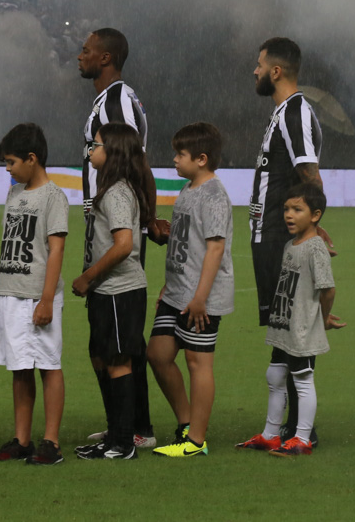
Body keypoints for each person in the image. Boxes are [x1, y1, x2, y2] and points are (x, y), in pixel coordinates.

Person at [78, 27, 166, 448]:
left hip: (118, 233)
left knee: (121, 342)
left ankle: (134, 429)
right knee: (108, 342)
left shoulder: (115, 101)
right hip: (104, 228)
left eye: (86, 50)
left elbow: (136, 157)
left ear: (106, 58)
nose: (80, 56)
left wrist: (148, 218)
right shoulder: (108, 99)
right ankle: (123, 423)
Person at [251, 37, 331, 445]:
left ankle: (302, 430)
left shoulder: (296, 111)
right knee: (284, 326)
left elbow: (310, 175)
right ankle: (282, 427)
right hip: (269, 236)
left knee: (295, 326)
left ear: (276, 71)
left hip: (282, 238)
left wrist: (313, 227)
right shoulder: (282, 112)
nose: (255, 71)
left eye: (259, 65)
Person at [236, 183, 345, 456]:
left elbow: (328, 288)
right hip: (284, 324)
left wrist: (322, 317)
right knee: (275, 375)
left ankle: (303, 439)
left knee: (302, 379)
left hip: (303, 329)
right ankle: (271, 435)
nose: (289, 214)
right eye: (286, 209)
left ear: (315, 215)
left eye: (297, 209)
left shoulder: (315, 248)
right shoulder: (289, 244)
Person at [147, 122, 234, 457]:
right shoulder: (189, 189)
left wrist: (200, 298)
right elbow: (185, 244)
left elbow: (214, 249)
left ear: (201, 158)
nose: (174, 159)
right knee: (157, 354)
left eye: (180, 154)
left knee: (199, 362)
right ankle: (186, 422)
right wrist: (170, 284)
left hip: (201, 298)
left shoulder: (213, 195)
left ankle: (196, 441)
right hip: (177, 293)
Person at [0, 123, 69, 465]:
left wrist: (47, 299)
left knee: (48, 365)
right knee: (19, 368)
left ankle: (51, 442)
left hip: (37, 296)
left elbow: (56, 250)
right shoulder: (13, 194)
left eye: (11, 162)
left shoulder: (54, 197)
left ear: (32, 159)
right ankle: (22, 440)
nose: (8, 169)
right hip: (10, 294)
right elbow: (8, 244)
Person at [72, 122, 154, 461]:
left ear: (114, 153)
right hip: (107, 292)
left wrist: (88, 277)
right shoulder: (112, 189)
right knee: (103, 358)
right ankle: (116, 432)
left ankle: (123, 442)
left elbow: (123, 246)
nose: (92, 150)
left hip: (121, 289)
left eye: (98, 145)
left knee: (119, 361)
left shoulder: (118, 192)